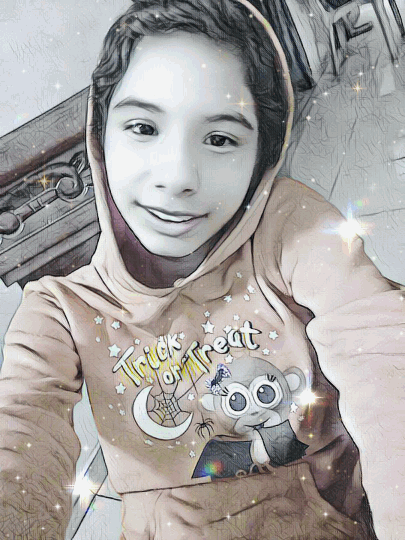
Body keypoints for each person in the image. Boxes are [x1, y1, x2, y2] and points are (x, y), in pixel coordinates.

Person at [0, 0, 403, 538]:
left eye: (219, 139)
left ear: (261, 153)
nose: (177, 177)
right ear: (101, 137)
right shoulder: (59, 310)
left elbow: (380, 354)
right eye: (143, 127)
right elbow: (21, 427)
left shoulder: (289, 227)